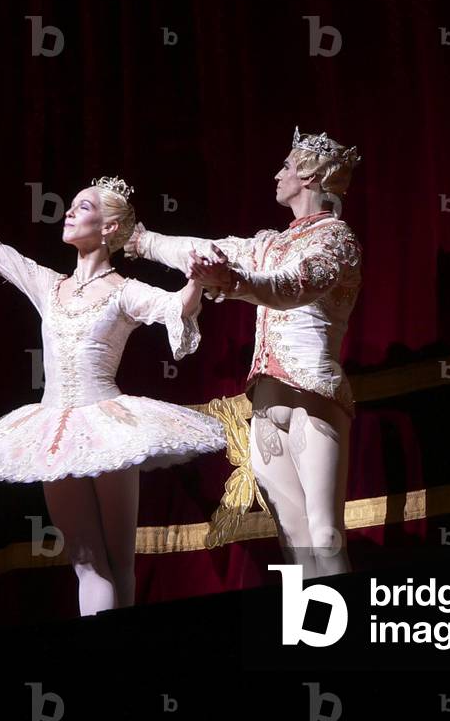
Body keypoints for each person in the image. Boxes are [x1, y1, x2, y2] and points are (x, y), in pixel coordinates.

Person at [0, 150, 226, 615]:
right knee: (87, 562)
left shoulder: (124, 291)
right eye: (71, 205)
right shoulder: (48, 285)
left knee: (120, 562)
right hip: (52, 428)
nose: (70, 212)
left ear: (109, 229)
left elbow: (176, 309)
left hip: (109, 424)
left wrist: (196, 280)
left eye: (84, 207)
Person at [124, 127, 362, 577]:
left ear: (310, 177)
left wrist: (234, 283)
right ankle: (309, 637)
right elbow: (205, 249)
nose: (278, 173)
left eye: (287, 166)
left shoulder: (336, 240)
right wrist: (142, 241)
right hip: (269, 404)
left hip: (314, 395)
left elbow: (293, 286)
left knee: (326, 536)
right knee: (294, 542)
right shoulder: (268, 243)